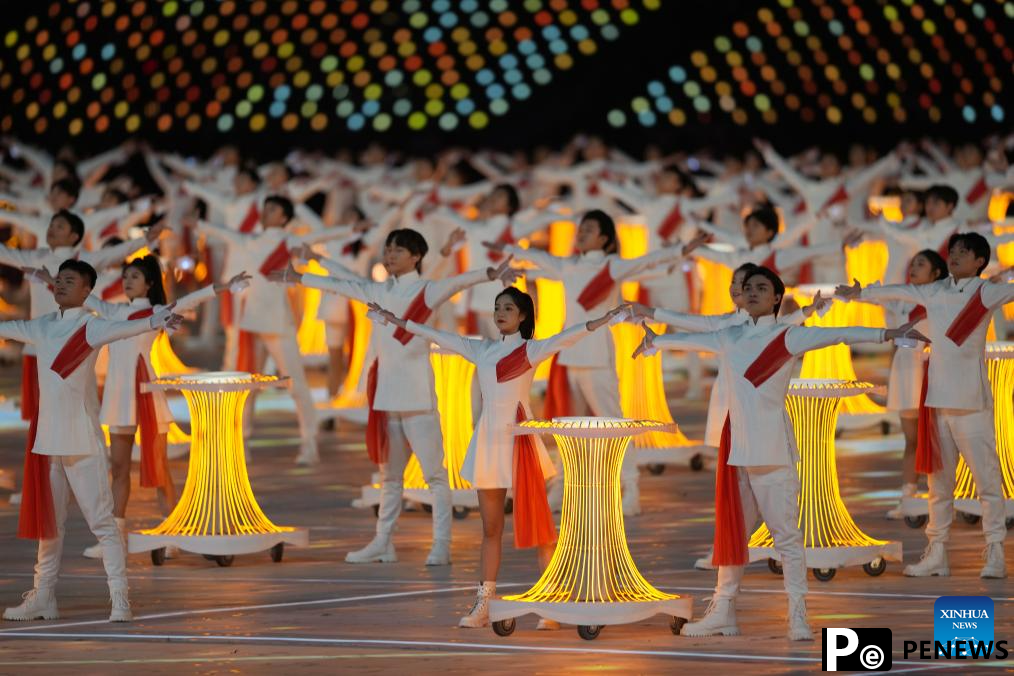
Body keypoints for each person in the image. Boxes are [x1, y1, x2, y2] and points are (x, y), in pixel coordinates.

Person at [634, 266, 926, 640]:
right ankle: (723, 611)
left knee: (786, 536)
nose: (752, 292)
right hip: (738, 454)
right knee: (733, 535)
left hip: (773, 454)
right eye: (748, 287)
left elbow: (837, 335)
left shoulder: (787, 336)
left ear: (776, 298)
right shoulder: (730, 335)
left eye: (762, 287)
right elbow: (691, 340)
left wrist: (889, 334)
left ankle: (797, 616)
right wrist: (654, 342)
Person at [369, 288, 627, 629]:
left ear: (522, 316)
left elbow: (568, 336)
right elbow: (438, 335)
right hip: (489, 443)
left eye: (508, 308)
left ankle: (551, 602)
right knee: (491, 529)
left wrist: (603, 320)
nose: (500, 313)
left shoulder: (531, 349)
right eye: (496, 308)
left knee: (541, 530)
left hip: (521, 443)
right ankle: (484, 604)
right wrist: (397, 320)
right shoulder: (482, 350)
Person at [269, 228, 521, 566]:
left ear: (416, 257)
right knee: (389, 477)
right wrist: (302, 276)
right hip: (386, 396)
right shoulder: (377, 290)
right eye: (387, 250)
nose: (389, 256)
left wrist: (491, 273)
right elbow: (342, 282)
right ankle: (382, 542)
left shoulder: (426, 291)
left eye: (397, 251)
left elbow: (459, 282)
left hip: (418, 397)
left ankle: (441, 545)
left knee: (434, 475)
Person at [487, 209, 706, 515]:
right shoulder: (568, 265)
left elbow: (647, 261)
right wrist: (506, 249)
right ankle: (563, 485)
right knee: (564, 428)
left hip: (598, 355)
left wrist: (683, 249)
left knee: (615, 423)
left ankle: (631, 487)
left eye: (588, 229)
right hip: (568, 355)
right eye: (581, 228)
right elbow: (534, 256)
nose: (581, 233)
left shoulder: (611, 266)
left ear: (604, 237)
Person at [1, 259, 182, 622]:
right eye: (59, 280)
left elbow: (121, 329)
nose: (62, 284)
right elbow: (7, 326)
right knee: (49, 526)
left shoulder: (90, 326)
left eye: (71, 280)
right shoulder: (42, 326)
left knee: (102, 523)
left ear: (88, 290)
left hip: (82, 441)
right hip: (48, 442)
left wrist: (153, 321)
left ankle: (120, 599)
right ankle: (44, 597)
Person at [40, 256, 248, 559]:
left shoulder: (157, 311)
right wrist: (51, 280)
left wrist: (224, 287)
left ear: (149, 283)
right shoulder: (113, 310)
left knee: (160, 469)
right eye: (126, 277)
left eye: (134, 277)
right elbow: (86, 296)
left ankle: (175, 531)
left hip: (147, 394)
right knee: (120, 469)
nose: (127, 282)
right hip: (118, 396)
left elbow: (190, 299)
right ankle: (115, 538)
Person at [628, 262, 830, 569]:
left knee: (755, 495)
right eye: (737, 284)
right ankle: (727, 550)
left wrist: (808, 311)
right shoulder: (727, 326)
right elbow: (689, 324)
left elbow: (788, 326)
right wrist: (652, 317)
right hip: (728, 410)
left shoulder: (769, 328)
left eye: (747, 284)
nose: (739, 289)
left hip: (755, 415)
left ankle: (739, 550)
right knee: (733, 491)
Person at [836, 232, 1014, 578]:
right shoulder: (934, 291)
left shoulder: (986, 292)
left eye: (964, 252)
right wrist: (860, 294)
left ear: (980, 261)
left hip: (971, 402)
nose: (955, 256)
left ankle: (995, 552)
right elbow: (897, 292)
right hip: (937, 402)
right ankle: (937, 552)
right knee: (938, 484)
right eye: (953, 251)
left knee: (988, 481)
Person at [197, 195, 343, 465]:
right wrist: (198, 224)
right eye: (265, 208)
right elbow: (223, 232)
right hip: (251, 322)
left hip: (278, 323)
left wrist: (351, 230)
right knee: (248, 386)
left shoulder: (287, 241)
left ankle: (309, 444)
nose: (265, 213)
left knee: (296, 385)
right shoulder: (250, 240)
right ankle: (241, 442)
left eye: (272, 209)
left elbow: (324, 234)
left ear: (284, 218)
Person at [854, 250, 948, 519]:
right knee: (911, 440)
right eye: (912, 263)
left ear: (936, 273)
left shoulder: (941, 298)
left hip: (932, 370)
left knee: (937, 437)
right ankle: (908, 498)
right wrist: (855, 295)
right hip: (906, 372)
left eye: (921, 264)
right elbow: (879, 299)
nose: (914, 267)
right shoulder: (901, 303)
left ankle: (939, 495)